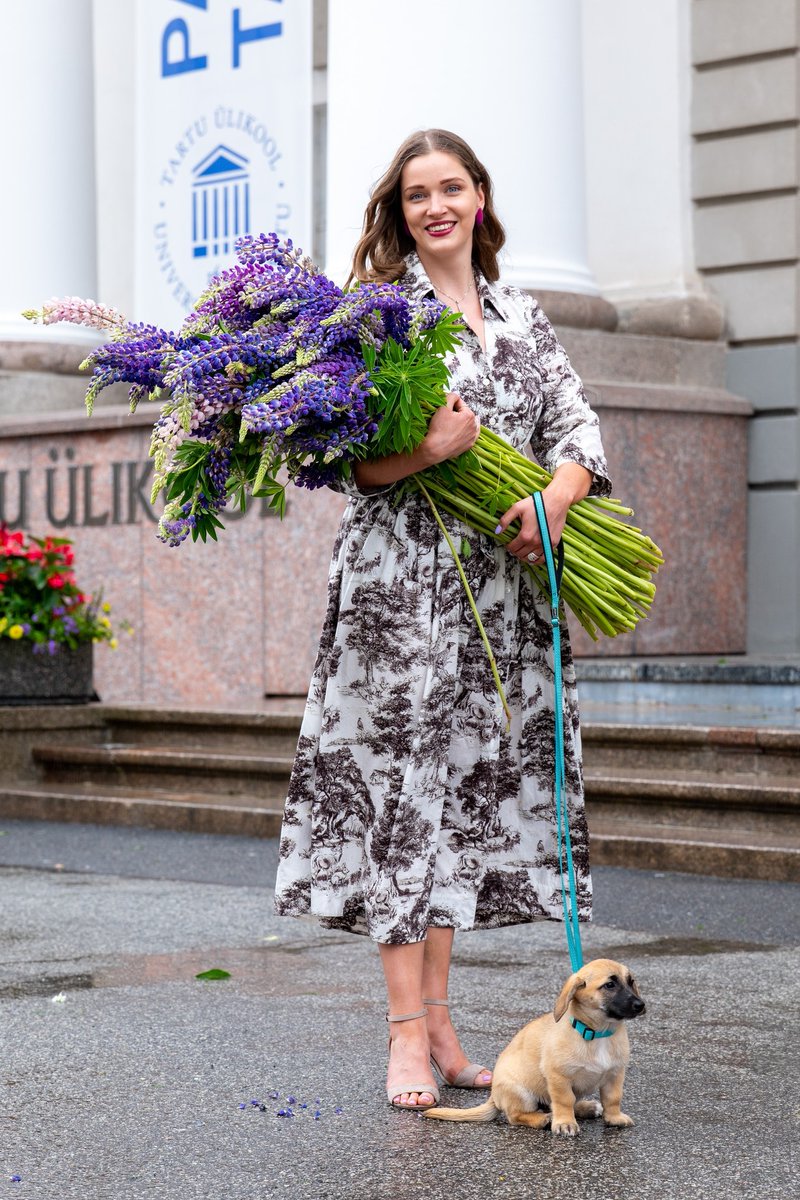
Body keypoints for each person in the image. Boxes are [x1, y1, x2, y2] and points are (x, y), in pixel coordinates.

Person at [274, 129, 611, 1111]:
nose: (433, 206)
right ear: (399, 209)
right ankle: (402, 1040)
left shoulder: (521, 312)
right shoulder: (379, 320)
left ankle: (444, 1024)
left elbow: (576, 428)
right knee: (402, 804)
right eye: (416, 193)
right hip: (399, 592)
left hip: (500, 590)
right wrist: (432, 450)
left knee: (459, 798)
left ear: (476, 197)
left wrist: (554, 498)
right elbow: (341, 463)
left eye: (448, 187)